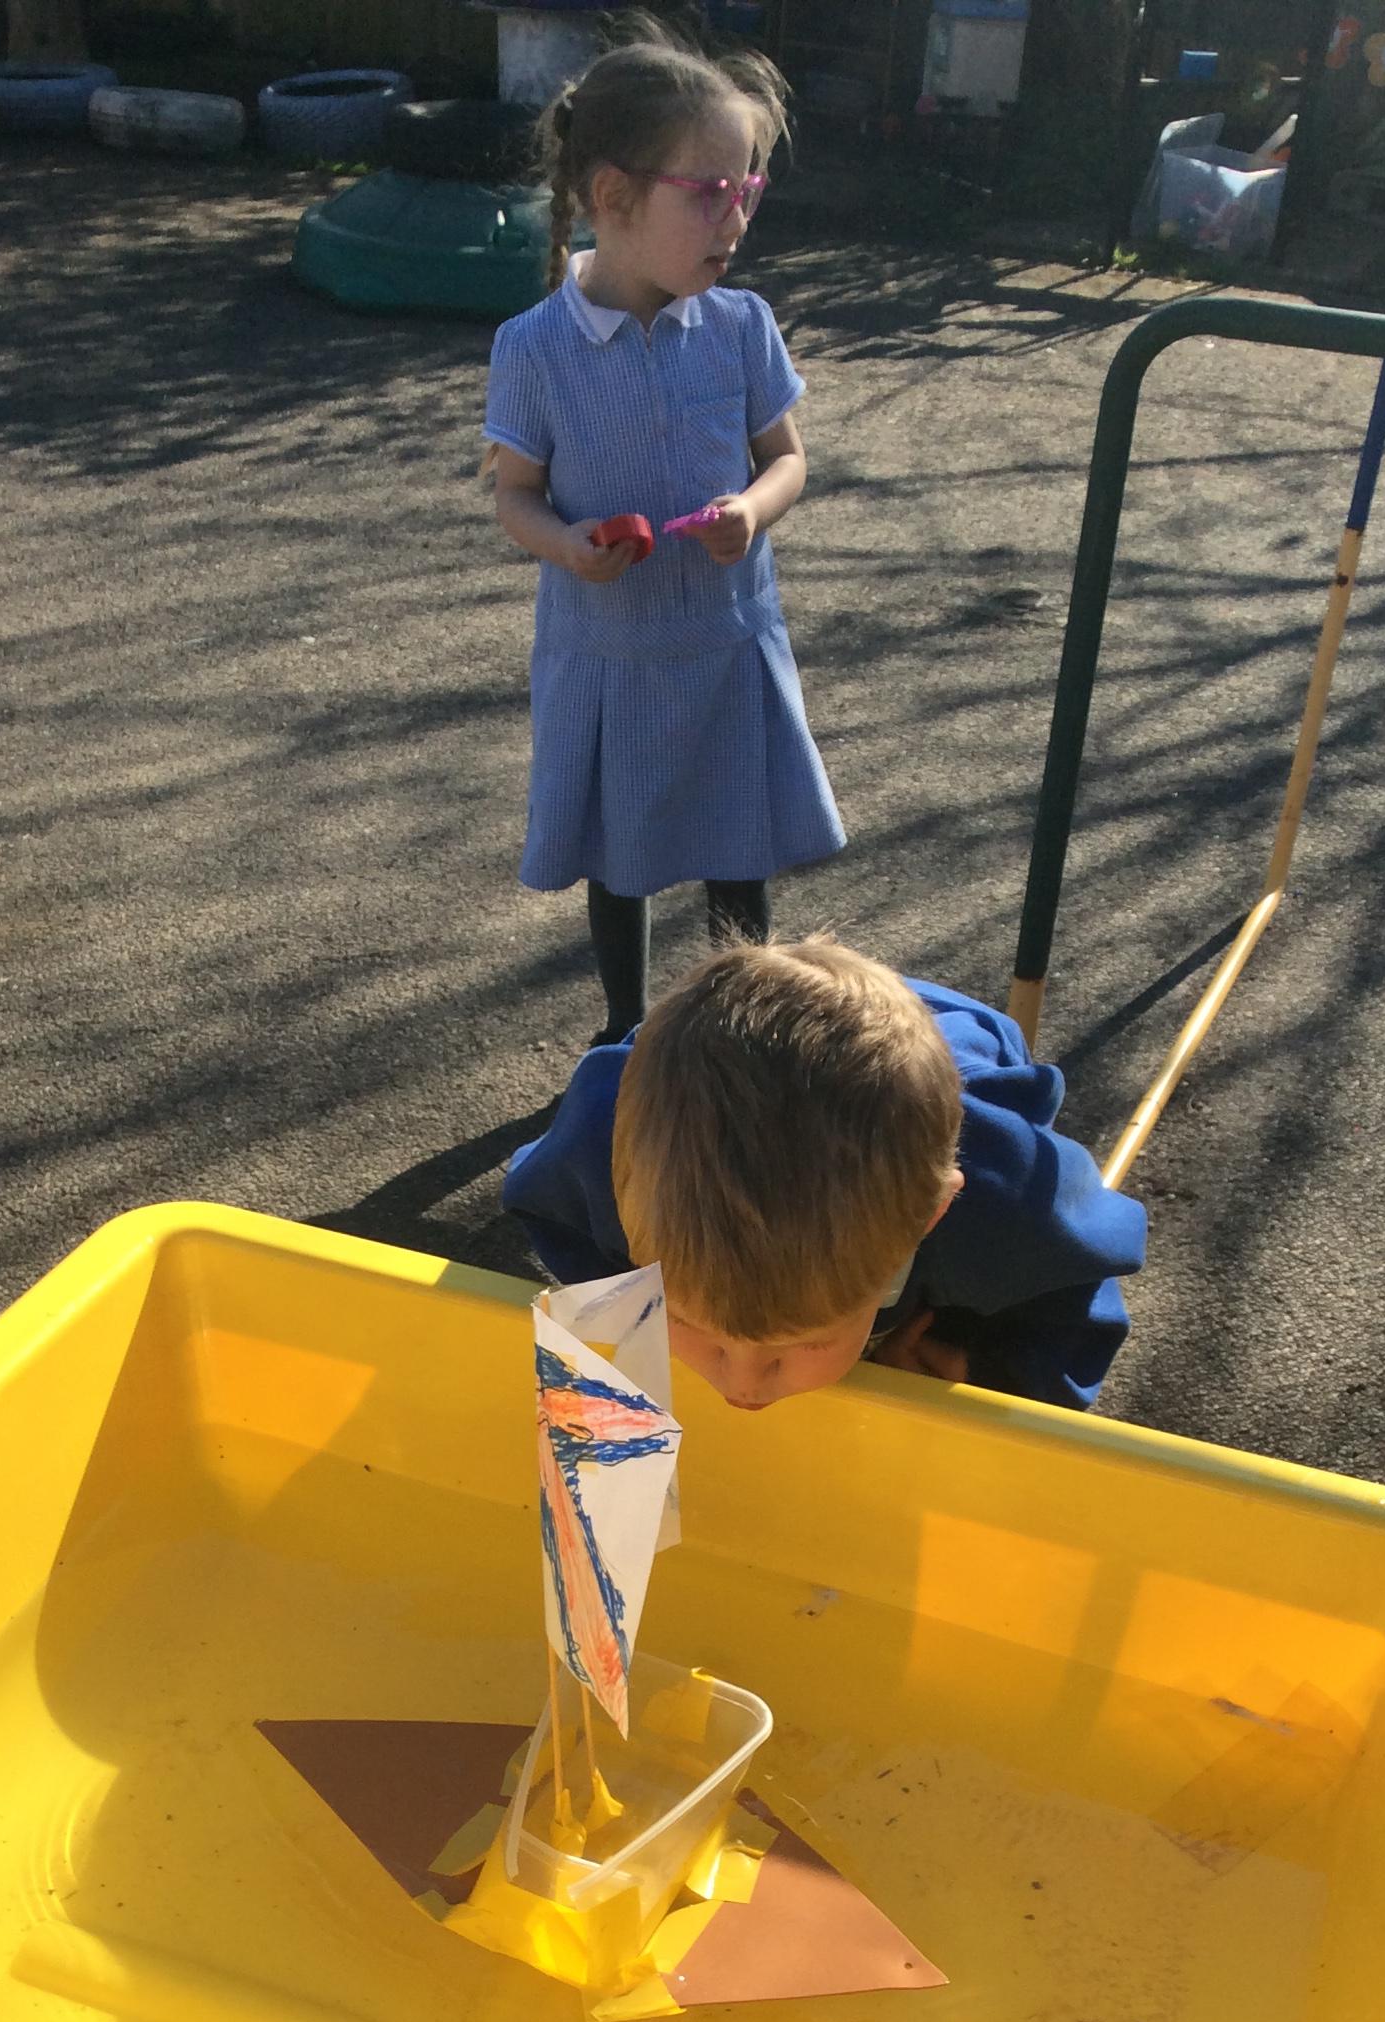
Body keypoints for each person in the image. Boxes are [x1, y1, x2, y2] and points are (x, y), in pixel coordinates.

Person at [482, 15, 844, 1047]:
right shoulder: (535, 347)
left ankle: (744, 1026)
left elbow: (787, 460)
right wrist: (567, 546)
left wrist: (752, 510)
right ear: (614, 196)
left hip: (727, 643)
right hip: (614, 655)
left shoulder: (741, 325)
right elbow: (515, 495)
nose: (736, 220)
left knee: (740, 843)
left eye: (747, 189)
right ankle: (624, 1032)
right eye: (710, 193)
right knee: (622, 851)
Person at [503, 937, 1147, 1413]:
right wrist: (630, 1310)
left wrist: (984, 1369)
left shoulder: (1007, 1202)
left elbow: (1080, 1297)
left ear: (931, 1217)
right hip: (706, 1055)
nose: (742, 1388)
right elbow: (547, 1209)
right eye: (692, 1323)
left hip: (961, 1057)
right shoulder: (599, 1143)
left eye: (806, 1342)